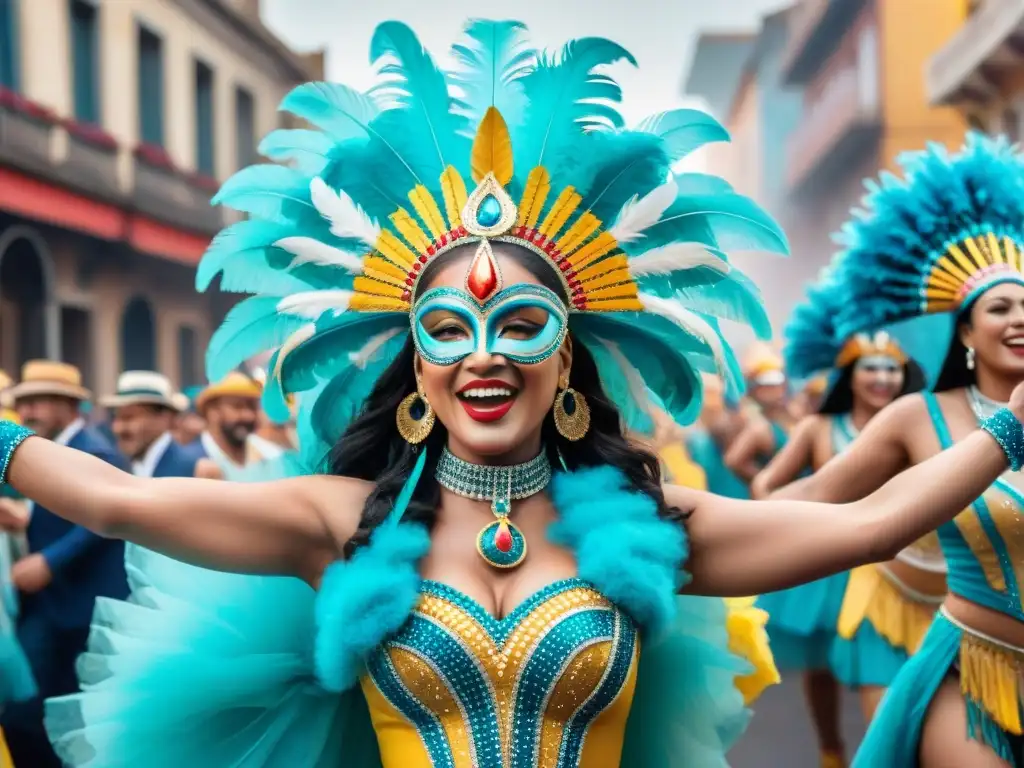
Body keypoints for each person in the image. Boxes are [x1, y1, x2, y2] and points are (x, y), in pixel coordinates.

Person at [0, 22, 1019, 767]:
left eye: (519, 325)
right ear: (416, 369)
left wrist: (1010, 429)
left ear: (568, 360)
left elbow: (875, 522)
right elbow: (117, 502)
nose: (481, 356)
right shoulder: (338, 519)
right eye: (447, 332)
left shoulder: (650, 529)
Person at [771, 133, 1024, 767]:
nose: (1019, 318)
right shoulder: (918, 418)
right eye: (1000, 307)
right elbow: (810, 498)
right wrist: (710, 523)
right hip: (971, 671)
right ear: (965, 329)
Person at [751, 270, 931, 766]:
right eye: (870, 367)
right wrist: (789, 512)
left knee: (900, 677)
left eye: (891, 369)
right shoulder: (818, 427)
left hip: (895, 569)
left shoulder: (917, 424)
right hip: (829, 564)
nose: (881, 378)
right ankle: (831, 747)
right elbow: (768, 486)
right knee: (822, 667)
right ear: (850, 375)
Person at [0, 361, 127, 768]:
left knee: (76, 710)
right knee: (33, 710)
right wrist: (24, 520)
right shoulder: (47, 448)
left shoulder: (96, 449)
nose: (28, 412)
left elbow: (102, 519)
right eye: (24, 404)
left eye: (37, 402)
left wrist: (48, 562)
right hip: (51, 606)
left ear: (68, 405)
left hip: (82, 605)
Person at [103, 371, 200, 479]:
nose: (117, 428)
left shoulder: (193, 469)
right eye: (116, 418)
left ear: (164, 418)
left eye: (128, 418)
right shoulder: (119, 467)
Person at [725, 343, 794, 482]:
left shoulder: (790, 415)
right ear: (756, 390)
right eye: (769, 387)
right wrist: (769, 482)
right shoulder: (759, 428)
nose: (778, 391)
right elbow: (733, 461)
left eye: (779, 385)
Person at [192, 372, 264, 478]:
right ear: (212, 411)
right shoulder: (189, 461)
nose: (248, 415)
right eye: (238, 406)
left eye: (252, 407)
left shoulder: (267, 457)